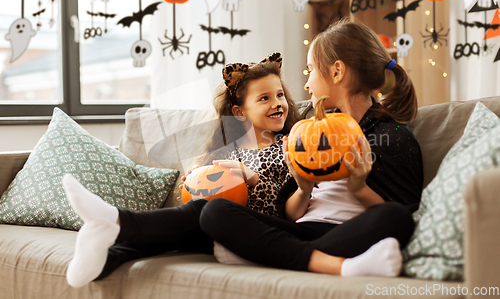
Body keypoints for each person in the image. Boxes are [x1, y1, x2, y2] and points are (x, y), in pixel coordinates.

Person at [198, 20, 424, 277]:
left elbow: (405, 214)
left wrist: (359, 188)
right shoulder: (312, 130)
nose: (306, 84)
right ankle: (329, 264)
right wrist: (303, 186)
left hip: (346, 232)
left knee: (396, 217)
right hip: (302, 230)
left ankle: (267, 254)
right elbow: (290, 216)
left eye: (311, 70)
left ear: (337, 71)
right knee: (214, 212)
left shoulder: (391, 136)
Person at [62, 52, 300, 288]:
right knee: (170, 232)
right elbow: (205, 199)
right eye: (264, 98)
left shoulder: (289, 147)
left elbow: (287, 210)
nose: (277, 103)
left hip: (257, 233)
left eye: (280, 95)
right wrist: (195, 183)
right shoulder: (226, 151)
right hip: (216, 231)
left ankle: (115, 220)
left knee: (199, 212)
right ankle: (105, 259)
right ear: (239, 112)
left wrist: (251, 178)